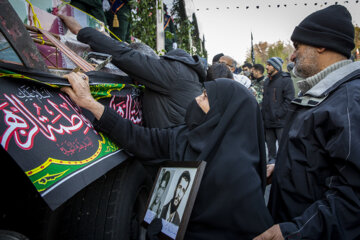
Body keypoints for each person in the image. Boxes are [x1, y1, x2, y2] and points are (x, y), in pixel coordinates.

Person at [61, 71, 273, 239]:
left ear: (225, 113)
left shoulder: (240, 175)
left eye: (206, 97)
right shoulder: (186, 135)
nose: (197, 99)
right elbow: (139, 138)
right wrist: (89, 103)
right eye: (202, 92)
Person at [255, 5, 360, 240]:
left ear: (321, 44)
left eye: (297, 47)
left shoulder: (349, 101)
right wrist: (282, 170)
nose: (292, 57)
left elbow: (353, 196)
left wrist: (297, 231)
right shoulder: (325, 94)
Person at [58, 14, 205, 128]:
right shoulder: (189, 75)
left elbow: (125, 56)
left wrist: (80, 31)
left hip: (166, 155)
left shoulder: (175, 72)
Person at [262, 57, 294, 163]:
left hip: (280, 122)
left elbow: (289, 100)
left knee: (284, 151)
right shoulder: (266, 81)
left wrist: (278, 114)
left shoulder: (286, 80)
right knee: (271, 154)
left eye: (269, 65)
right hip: (268, 123)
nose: (267, 67)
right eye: (267, 64)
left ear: (276, 67)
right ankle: (271, 173)